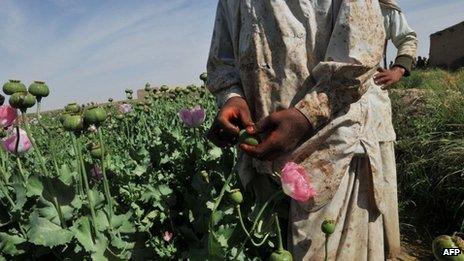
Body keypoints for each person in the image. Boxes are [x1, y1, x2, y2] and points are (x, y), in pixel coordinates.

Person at [206, 0, 411, 260]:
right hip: (264, 156)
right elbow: (222, 62)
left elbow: (360, 52)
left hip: (335, 147)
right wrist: (231, 97)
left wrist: (307, 115)